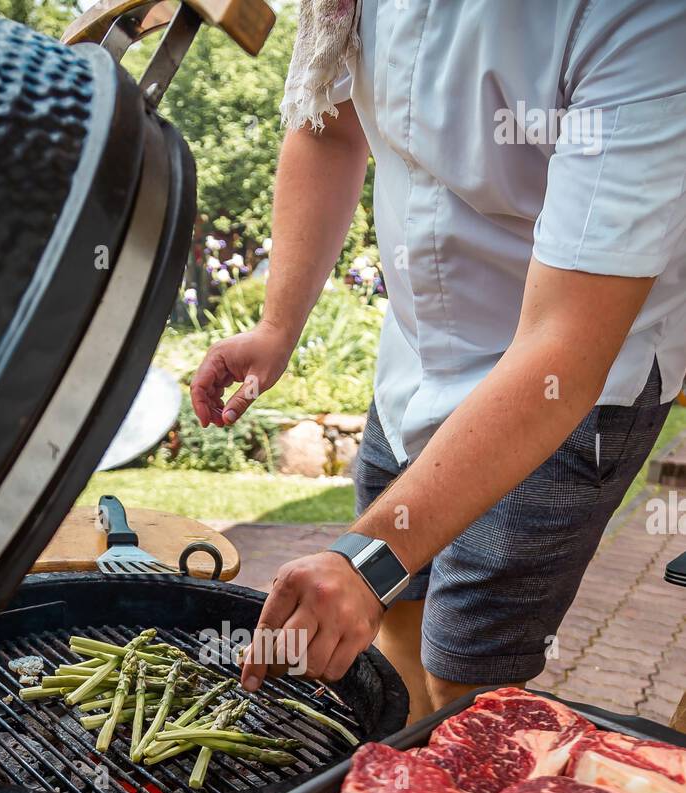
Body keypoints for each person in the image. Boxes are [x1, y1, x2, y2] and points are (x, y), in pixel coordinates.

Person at [190, 0, 686, 723]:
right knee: (399, 620)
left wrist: (364, 561)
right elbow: (328, 128)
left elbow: (565, 347)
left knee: (467, 682)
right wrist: (277, 325)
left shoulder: (646, 20)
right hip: (412, 352)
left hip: (564, 388)